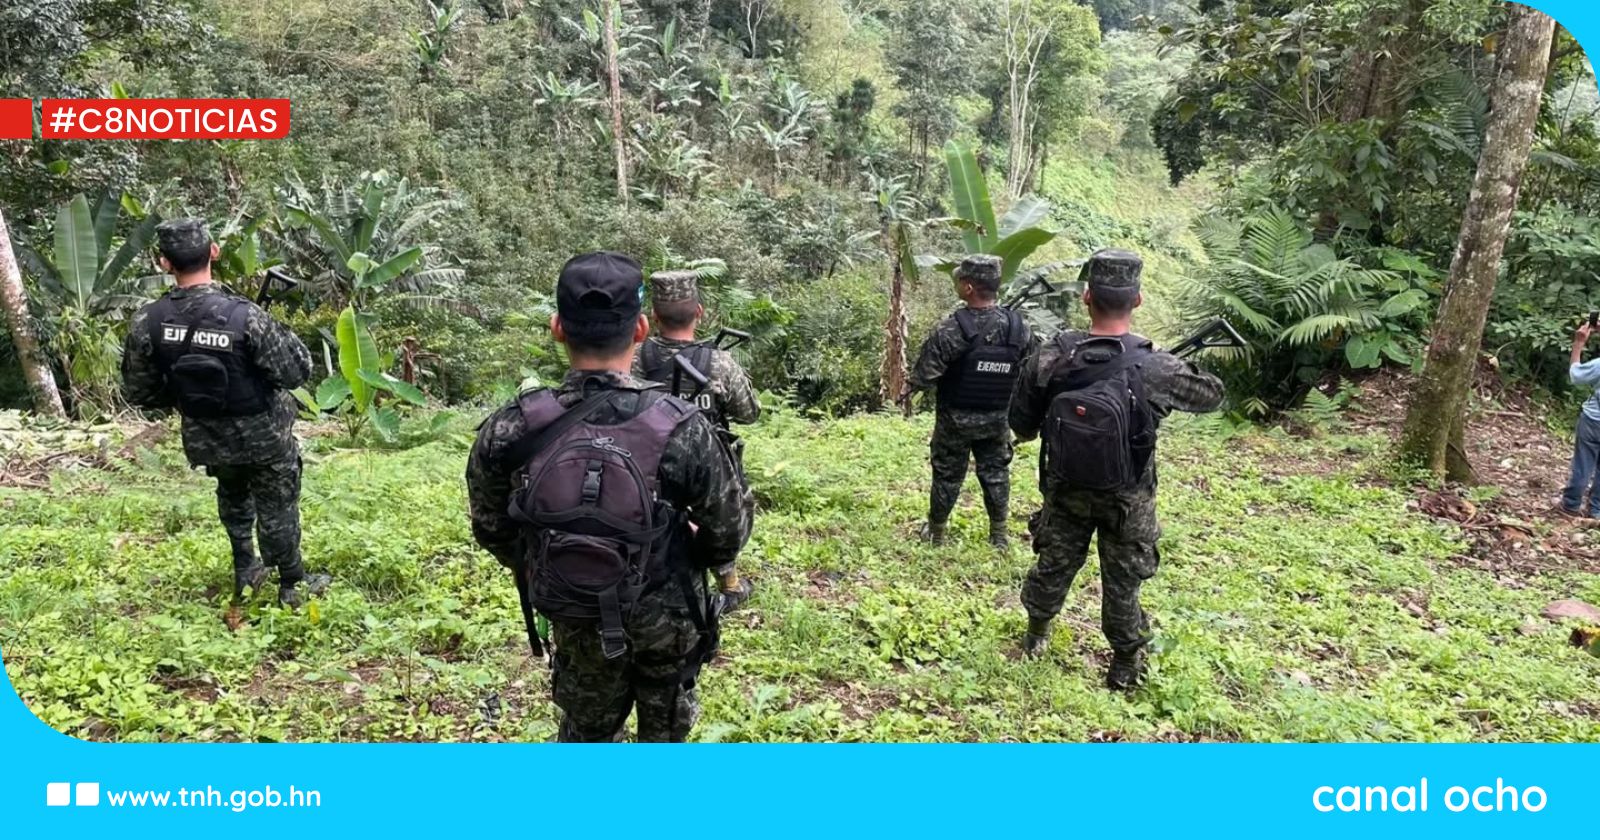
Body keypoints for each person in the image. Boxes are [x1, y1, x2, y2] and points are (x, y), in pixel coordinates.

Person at [465, 252, 753, 742]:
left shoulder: (513, 426)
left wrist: (550, 560)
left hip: (575, 613)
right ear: (640, 329)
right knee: (664, 737)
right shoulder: (682, 427)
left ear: (558, 327)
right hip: (668, 617)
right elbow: (727, 532)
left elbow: (491, 527)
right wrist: (688, 546)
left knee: (587, 733)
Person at [1008, 249, 1224, 690]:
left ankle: (1035, 637)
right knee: (1123, 582)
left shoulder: (1052, 357)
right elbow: (1212, 396)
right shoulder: (1156, 366)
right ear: (1138, 301)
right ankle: (1125, 663)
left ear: (1086, 297)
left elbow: (1021, 424)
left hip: (1065, 490)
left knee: (1054, 563)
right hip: (1128, 499)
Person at [121, 219, 328, 607]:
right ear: (213, 251)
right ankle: (292, 584)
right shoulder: (243, 316)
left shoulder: (148, 321)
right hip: (263, 435)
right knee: (277, 504)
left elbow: (140, 392)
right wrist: (279, 331)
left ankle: (245, 567)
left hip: (205, 435)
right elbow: (294, 372)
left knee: (232, 494)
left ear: (164, 263)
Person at [908, 255, 1033, 548]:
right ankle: (999, 537)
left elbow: (924, 376)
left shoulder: (951, 329)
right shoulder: (1019, 327)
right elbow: (1031, 371)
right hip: (998, 417)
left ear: (968, 288)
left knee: (948, 475)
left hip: (955, 419)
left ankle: (936, 534)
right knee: (996, 473)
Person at [634, 270, 760, 429]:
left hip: (645, 451)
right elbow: (749, 415)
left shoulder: (633, 357)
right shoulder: (721, 364)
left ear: (654, 315)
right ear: (699, 312)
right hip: (704, 452)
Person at [1561, 318, 1600, 517]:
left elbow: (1576, 376)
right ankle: (1596, 510)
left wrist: (1578, 344)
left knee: (1583, 463)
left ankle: (1571, 505)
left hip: (1593, 420)